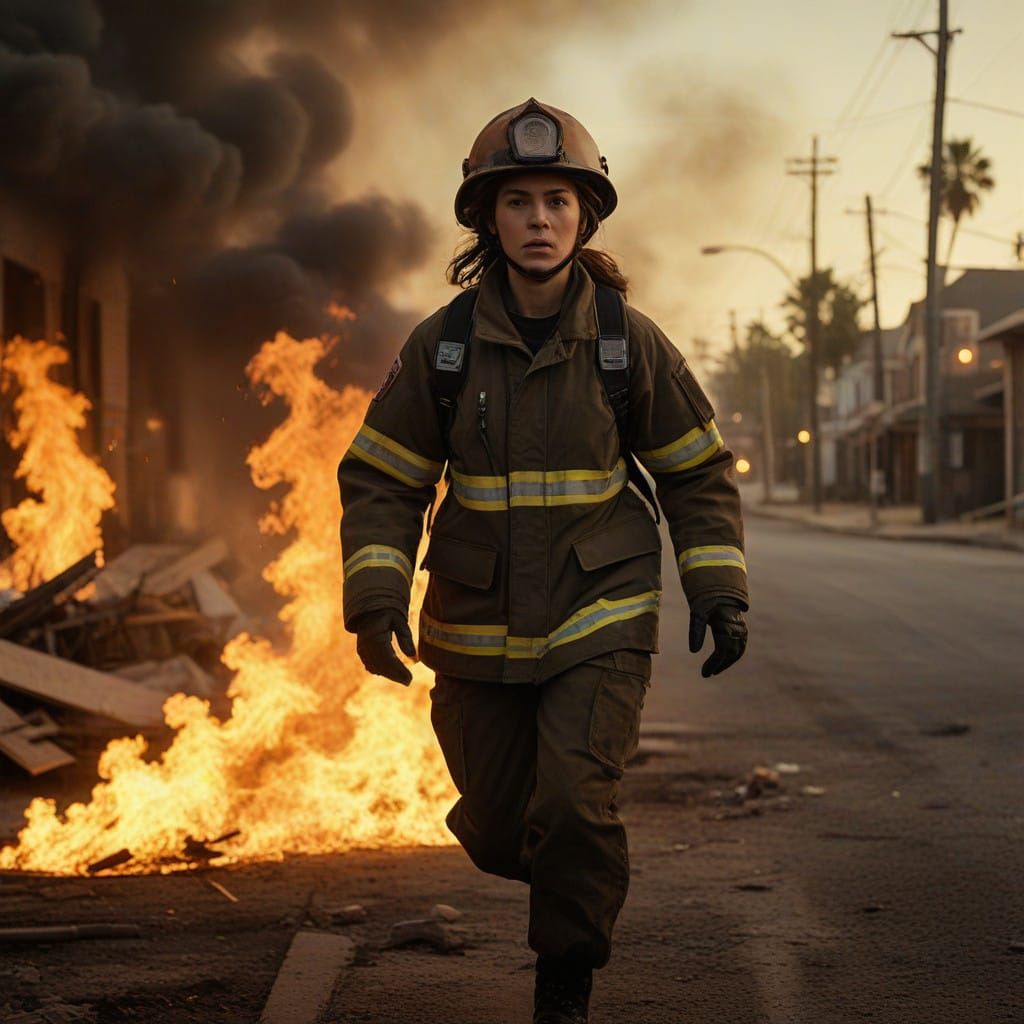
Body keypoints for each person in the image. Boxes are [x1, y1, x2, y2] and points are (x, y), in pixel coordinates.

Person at [337, 98, 749, 1024]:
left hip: (599, 608)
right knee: (497, 826)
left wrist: (718, 589)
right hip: (474, 623)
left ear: (585, 217)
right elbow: (382, 480)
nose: (539, 220)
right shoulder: (441, 347)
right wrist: (374, 599)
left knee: (573, 804)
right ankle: (567, 868)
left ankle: (564, 981)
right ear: (487, 217)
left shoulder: (623, 340)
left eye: (558, 202)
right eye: (518, 202)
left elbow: (696, 471)